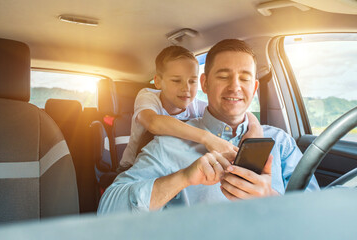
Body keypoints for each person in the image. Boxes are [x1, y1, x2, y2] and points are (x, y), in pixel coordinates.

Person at [98, 39, 319, 214]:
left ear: (255, 87)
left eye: (245, 78)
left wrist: (270, 199)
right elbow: (107, 209)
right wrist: (183, 178)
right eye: (223, 76)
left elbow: (316, 212)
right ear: (205, 83)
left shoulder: (281, 143)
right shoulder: (167, 145)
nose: (235, 87)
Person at [119, 45, 261, 168]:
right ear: (158, 82)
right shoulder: (148, 96)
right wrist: (208, 138)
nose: (185, 88)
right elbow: (154, 123)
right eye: (176, 80)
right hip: (133, 164)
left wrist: (255, 131)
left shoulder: (194, 104)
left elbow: (232, 110)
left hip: (171, 160)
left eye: (192, 81)